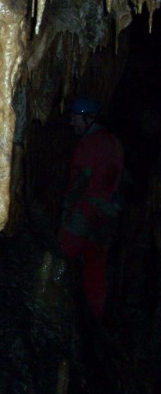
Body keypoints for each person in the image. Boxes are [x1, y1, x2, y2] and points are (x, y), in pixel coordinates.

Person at [58, 97, 125, 320]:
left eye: (75, 118)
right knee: (97, 264)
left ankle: (60, 309)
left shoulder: (87, 145)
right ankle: (95, 315)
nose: (71, 123)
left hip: (86, 211)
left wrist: (67, 209)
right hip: (109, 214)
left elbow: (81, 182)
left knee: (64, 254)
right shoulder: (114, 143)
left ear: (88, 118)